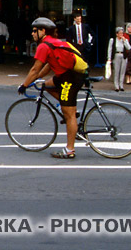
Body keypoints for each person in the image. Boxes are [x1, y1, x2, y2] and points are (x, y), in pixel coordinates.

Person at [18, 17, 89, 159]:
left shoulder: (44, 46)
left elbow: (34, 69)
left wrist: (24, 85)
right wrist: (38, 79)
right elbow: (48, 65)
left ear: (43, 31)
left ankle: (70, 150)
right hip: (64, 75)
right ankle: (70, 109)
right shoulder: (53, 43)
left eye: (34, 31)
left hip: (71, 77)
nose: (32, 33)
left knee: (68, 114)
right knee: (46, 85)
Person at [106, 26, 131, 92]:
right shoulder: (113, 40)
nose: (121, 35)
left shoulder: (125, 40)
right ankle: (116, 85)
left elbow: (129, 48)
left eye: (122, 33)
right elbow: (110, 50)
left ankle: (121, 85)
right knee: (116, 71)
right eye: (120, 33)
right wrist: (109, 58)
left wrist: (125, 41)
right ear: (116, 34)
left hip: (123, 56)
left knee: (122, 71)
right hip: (116, 55)